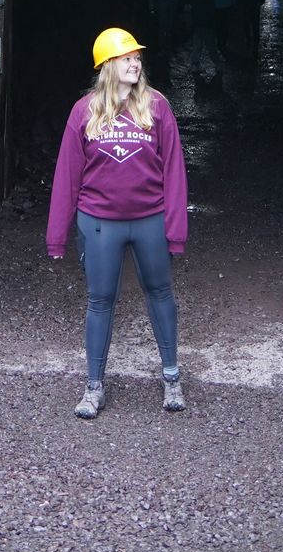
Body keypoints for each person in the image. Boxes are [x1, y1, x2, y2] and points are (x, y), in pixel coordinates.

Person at [46, 26, 188, 418]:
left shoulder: (157, 106)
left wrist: (175, 231)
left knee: (160, 292)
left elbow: (174, 170)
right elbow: (67, 175)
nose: (135, 62)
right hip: (99, 222)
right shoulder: (84, 111)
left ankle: (172, 378)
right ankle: (94, 388)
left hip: (149, 219)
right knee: (100, 299)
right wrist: (56, 236)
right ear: (107, 65)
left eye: (137, 57)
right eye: (126, 58)